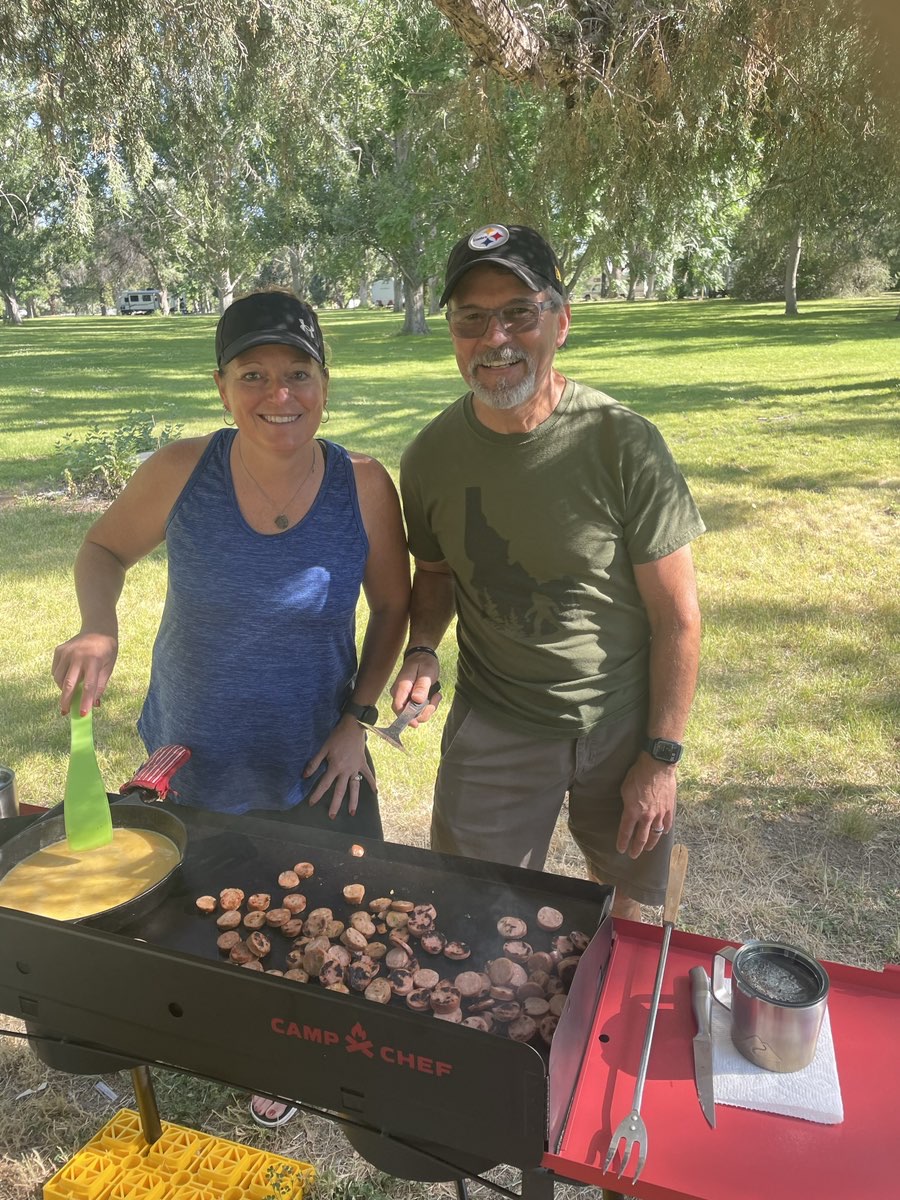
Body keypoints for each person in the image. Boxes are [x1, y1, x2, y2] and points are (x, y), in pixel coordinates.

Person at [52, 289, 410, 1126]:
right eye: (254, 374)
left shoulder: (362, 485)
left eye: (298, 373)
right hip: (193, 753)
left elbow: (393, 608)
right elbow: (103, 547)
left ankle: (338, 1054)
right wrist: (97, 628)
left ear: (325, 382)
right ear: (222, 387)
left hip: (318, 758)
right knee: (216, 918)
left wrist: (358, 718)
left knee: (338, 913)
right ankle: (252, 1049)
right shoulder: (183, 471)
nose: (278, 394)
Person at [391, 223, 704, 922]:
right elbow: (435, 572)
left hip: (621, 723)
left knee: (627, 906)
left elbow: (676, 617)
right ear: (452, 333)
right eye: (471, 318)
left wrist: (660, 759)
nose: (494, 338)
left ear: (560, 322)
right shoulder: (430, 457)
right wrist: (420, 648)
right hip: (496, 723)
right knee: (467, 916)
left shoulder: (623, 443)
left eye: (518, 313)